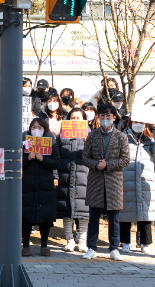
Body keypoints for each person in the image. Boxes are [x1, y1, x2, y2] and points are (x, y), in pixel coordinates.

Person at [81, 104, 129, 261]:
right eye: (102, 116)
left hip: (114, 181)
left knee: (114, 217)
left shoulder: (121, 136)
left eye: (108, 116)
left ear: (114, 118)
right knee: (93, 216)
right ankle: (91, 247)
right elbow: (85, 157)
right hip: (95, 180)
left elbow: (125, 159)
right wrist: (96, 164)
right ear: (98, 117)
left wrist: (107, 164)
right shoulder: (92, 135)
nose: (105, 119)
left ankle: (114, 248)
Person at [120, 118, 155, 254]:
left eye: (142, 122)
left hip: (145, 180)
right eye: (135, 122)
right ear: (130, 123)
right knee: (125, 212)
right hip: (126, 179)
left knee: (145, 213)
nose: (138, 125)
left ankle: (145, 242)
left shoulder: (149, 140)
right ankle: (125, 241)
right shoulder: (122, 138)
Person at [21, 118, 60, 257]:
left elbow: (56, 162)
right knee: (25, 217)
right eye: (33, 127)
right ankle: (25, 245)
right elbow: (17, 161)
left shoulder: (51, 145)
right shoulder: (24, 143)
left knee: (46, 217)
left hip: (45, 185)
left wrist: (43, 159)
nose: (36, 130)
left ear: (45, 130)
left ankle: (44, 246)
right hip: (27, 184)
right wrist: (28, 158)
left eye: (40, 127)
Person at [56, 108, 90, 252]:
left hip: (85, 179)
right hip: (66, 178)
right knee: (66, 211)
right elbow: (56, 156)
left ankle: (82, 241)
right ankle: (69, 240)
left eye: (79, 118)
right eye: (73, 118)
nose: (75, 121)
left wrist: (87, 142)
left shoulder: (90, 135)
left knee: (84, 212)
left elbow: (96, 155)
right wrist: (56, 176)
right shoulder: (61, 136)